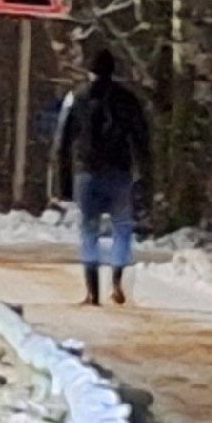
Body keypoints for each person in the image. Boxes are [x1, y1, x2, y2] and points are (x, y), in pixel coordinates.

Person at [51, 49, 153, 307]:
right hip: (120, 172)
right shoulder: (127, 99)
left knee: (89, 231)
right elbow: (142, 139)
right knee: (122, 228)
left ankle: (92, 291)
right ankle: (117, 279)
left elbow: (62, 141)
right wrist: (145, 178)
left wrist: (63, 184)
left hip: (86, 174)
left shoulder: (77, 97)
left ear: (90, 71)